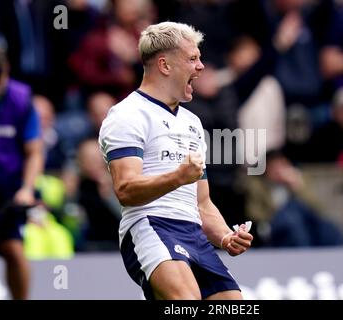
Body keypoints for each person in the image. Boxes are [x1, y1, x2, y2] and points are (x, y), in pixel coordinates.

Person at [98, 21, 253, 300]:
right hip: (151, 224)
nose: (201, 67)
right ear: (165, 66)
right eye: (193, 58)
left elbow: (202, 203)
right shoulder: (127, 115)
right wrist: (177, 177)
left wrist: (225, 237)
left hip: (193, 234)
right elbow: (126, 190)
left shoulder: (192, 122)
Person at [0, 49, 44, 299]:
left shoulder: (21, 99)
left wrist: (27, 189)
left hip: (8, 194)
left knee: (14, 252)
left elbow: (34, 151)